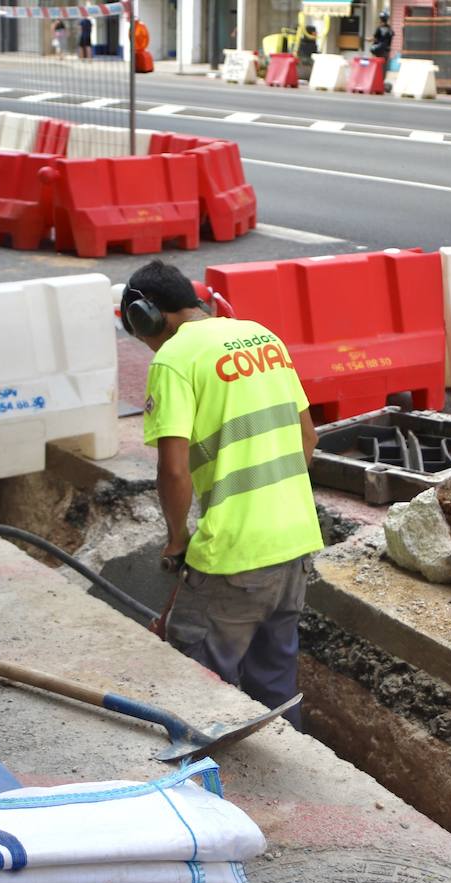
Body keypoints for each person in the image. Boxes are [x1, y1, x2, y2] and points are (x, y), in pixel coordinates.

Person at [121, 261, 323, 728]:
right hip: (294, 545)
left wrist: (177, 539)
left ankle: (202, 788)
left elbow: (173, 469)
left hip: (234, 554)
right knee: (274, 685)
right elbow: (307, 437)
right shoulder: (261, 337)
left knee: (197, 686)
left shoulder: (174, 360)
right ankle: (282, 779)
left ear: (147, 317)